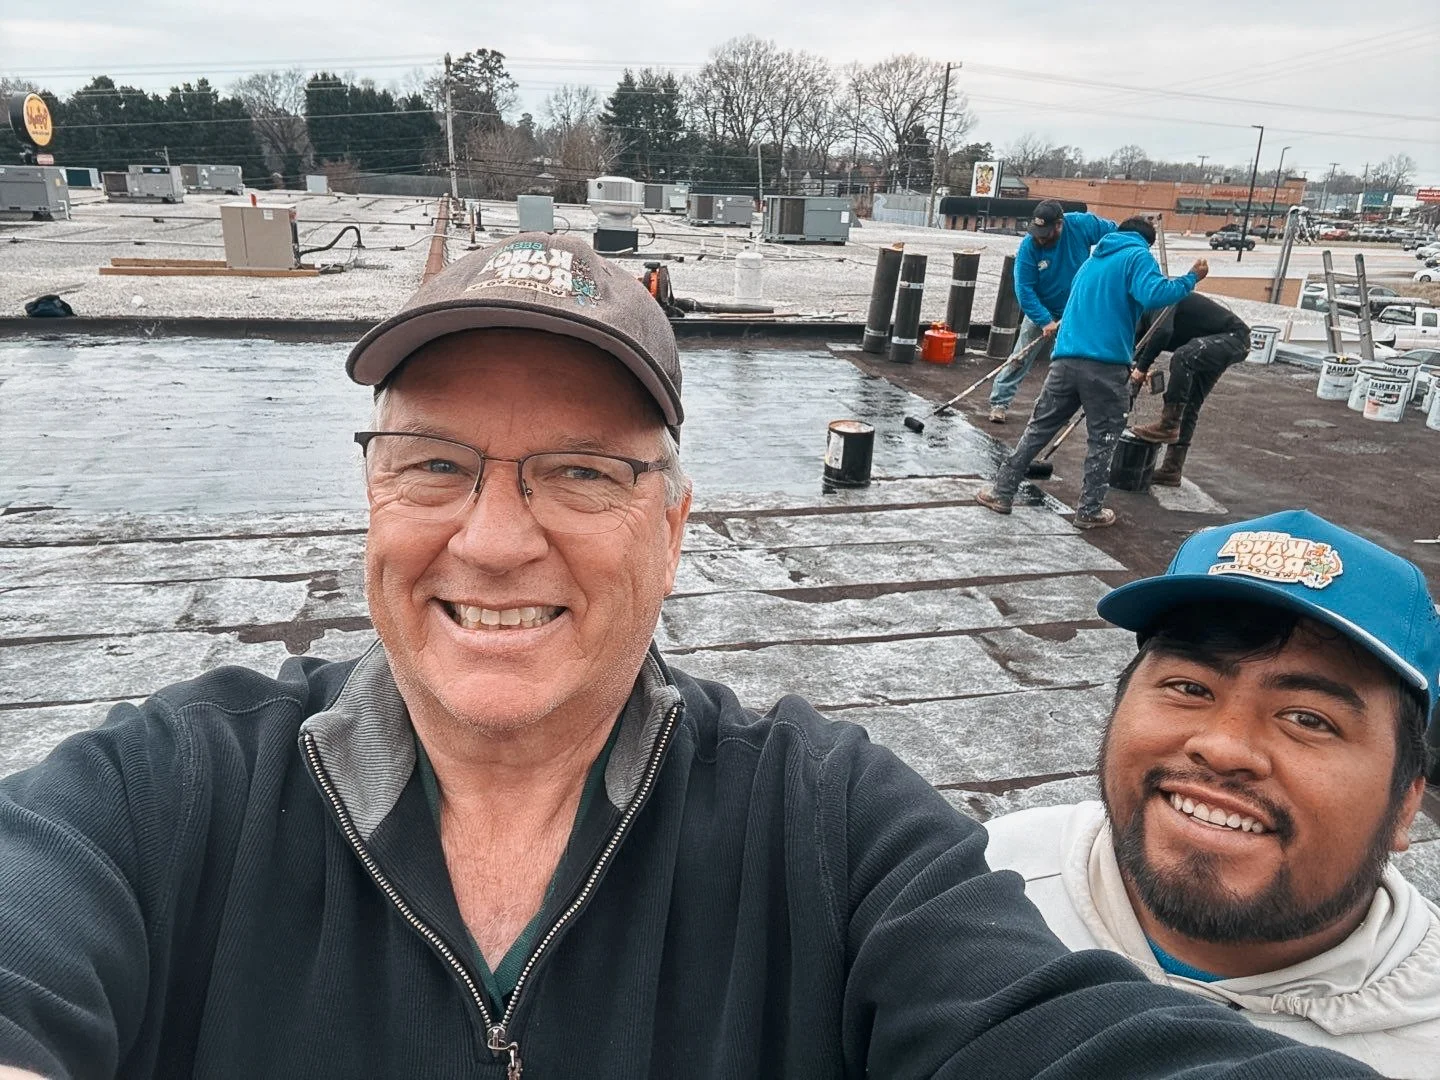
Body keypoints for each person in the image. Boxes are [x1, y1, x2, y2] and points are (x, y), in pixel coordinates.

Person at [0, 235, 1377, 1079]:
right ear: (370, 497)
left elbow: (1063, 1039)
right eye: (433, 464)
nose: (490, 539)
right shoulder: (172, 793)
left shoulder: (823, 827)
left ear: (674, 529)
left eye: (581, 474)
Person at [985, 509, 1440, 1078]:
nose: (1223, 748)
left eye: (1307, 718)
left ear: (1405, 804)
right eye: (1189, 686)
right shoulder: (984, 888)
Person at [977, 217, 1208, 529]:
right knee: (1104, 438)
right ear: (1145, 241)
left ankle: (1002, 491)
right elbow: (1155, 294)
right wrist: (1191, 278)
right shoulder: (1138, 256)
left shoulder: (1091, 263)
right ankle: (1088, 510)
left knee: (1038, 429)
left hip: (1065, 360)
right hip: (1106, 365)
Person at [987, 199, 1116, 424]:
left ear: (1059, 224)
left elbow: (1117, 233)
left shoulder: (1081, 225)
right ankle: (1000, 401)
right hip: (1043, 308)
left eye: (1045, 233)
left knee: (1067, 363)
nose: (1040, 238)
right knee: (1021, 356)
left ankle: (1056, 411)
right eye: (1037, 232)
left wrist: (1106, 259)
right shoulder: (1029, 246)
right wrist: (1045, 320)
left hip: (1076, 310)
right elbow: (1024, 289)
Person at [1127, 292, 1252, 485]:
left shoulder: (1160, 297)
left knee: (1183, 357)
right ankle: (1172, 469)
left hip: (1234, 338)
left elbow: (1163, 332)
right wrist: (1137, 371)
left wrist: (1142, 368)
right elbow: (1138, 354)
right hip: (1213, 343)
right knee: (1191, 403)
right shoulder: (1140, 322)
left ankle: (1168, 425)